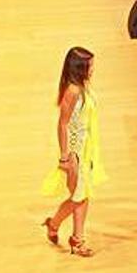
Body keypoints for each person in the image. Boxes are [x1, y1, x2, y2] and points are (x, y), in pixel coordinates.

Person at [41, 47, 108, 257]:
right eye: (90, 65)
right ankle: (56, 225)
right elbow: (62, 124)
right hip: (76, 152)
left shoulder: (82, 86)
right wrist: (65, 157)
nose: (93, 69)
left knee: (82, 194)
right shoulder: (73, 91)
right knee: (79, 196)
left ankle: (75, 237)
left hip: (86, 148)